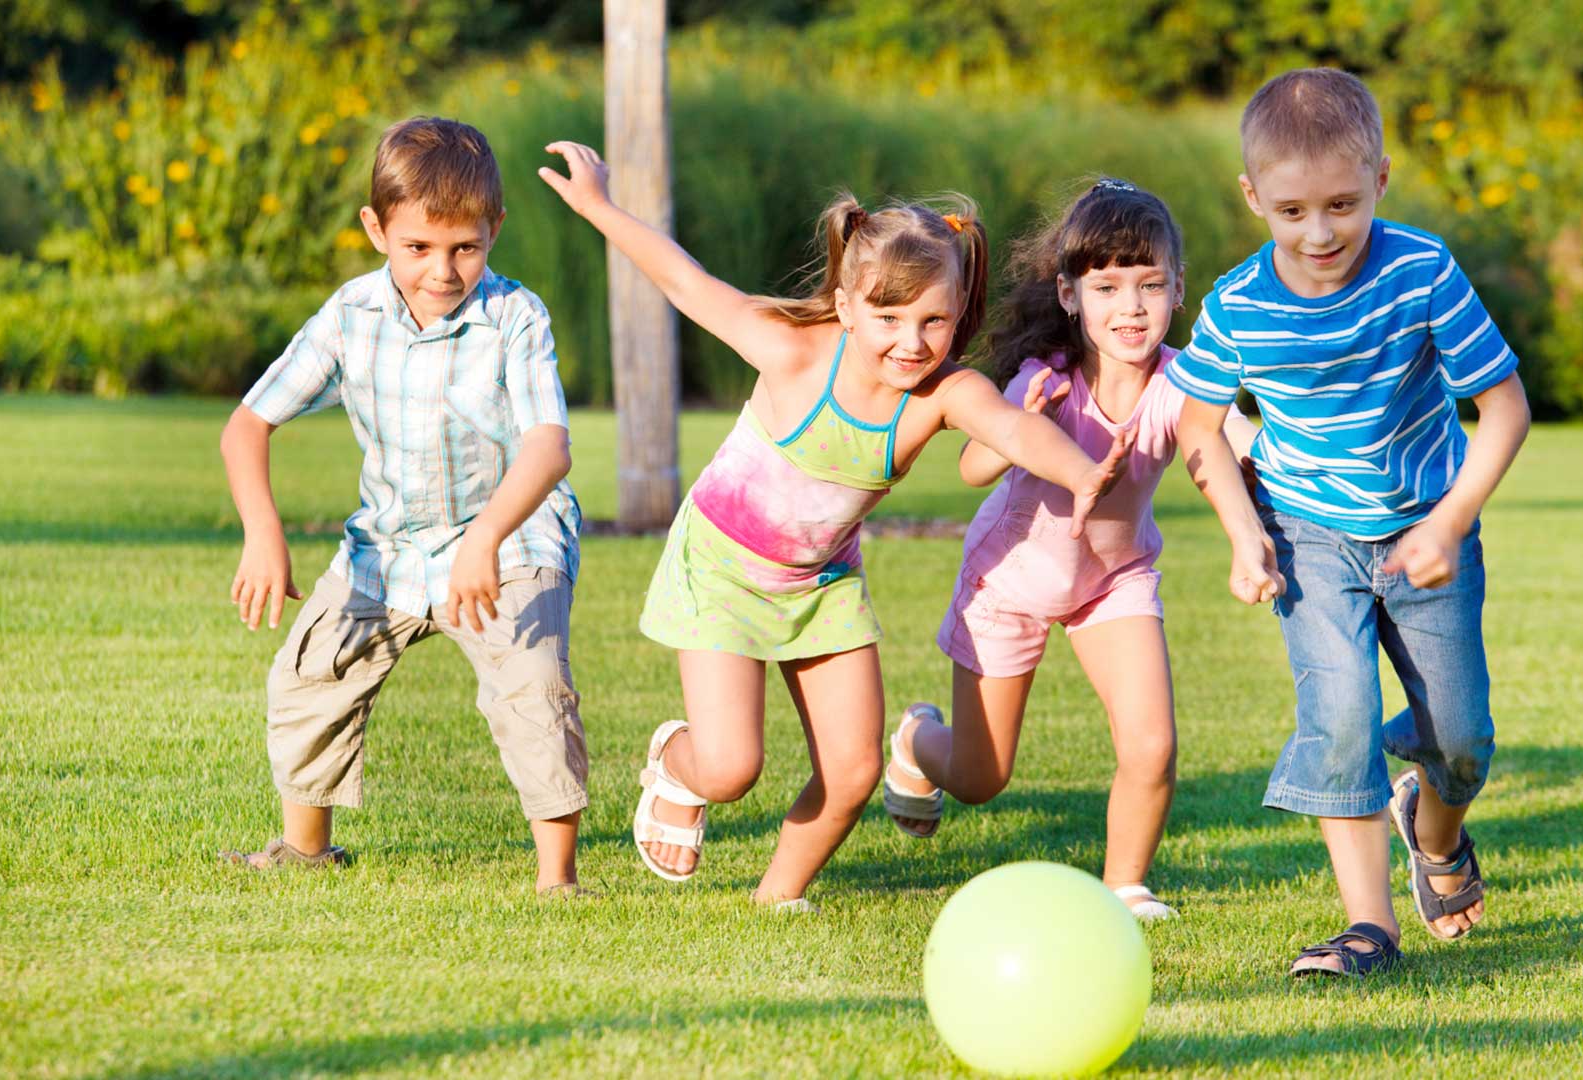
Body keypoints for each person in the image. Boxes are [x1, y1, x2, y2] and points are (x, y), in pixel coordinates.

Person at [539, 141, 1127, 910]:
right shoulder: (790, 351)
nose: (910, 342)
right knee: (731, 766)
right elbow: (686, 282)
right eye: (888, 317)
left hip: (821, 585)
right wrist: (598, 207)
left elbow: (1012, 430)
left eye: (934, 321)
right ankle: (680, 768)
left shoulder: (943, 394)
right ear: (847, 306)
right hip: (720, 569)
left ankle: (774, 899)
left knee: (851, 773)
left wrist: (1083, 472)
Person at [1170, 68, 1531, 976]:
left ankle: (1436, 831)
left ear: (1381, 179)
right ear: (1254, 197)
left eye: (1341, 203)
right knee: (1338, 716)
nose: (1319, 232)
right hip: (1309, 537)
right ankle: (1370, 926)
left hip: (1424, 531)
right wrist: (1245, 534)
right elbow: (1197, 425)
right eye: (1291, 211)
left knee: (1461, 738)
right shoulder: (1238, 305)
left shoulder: (1421, 271)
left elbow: (1506, 406)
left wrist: (1450, 523)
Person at [218, 117, 591, 899]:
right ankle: (305, 850)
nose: (443, 270)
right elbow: (248, 424)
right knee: (311, 673)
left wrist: (488, 534)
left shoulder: (516, 319)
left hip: (510, 538)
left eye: (465, 247)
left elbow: (548, 448)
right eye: (418, 247)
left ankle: (558, 880)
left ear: (494, 229)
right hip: (387, 548)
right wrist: (263, 532)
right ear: (377, 229)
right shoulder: (351, 315)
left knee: (532, 687)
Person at [883, 178, 1255, 922]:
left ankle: (1126, 886)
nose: (1132, 307)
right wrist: (1017, 421)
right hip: (1009, 581)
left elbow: (1231, 446)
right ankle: (917, 740)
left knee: (1151, 745)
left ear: (1180, 289)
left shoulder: (1184, 381)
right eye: (1108, 286)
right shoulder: (1044, 379)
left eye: (1151, 285)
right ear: (1068, 293)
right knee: (980, 777)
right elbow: (972, 467)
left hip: (1112, 582)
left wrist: (1273, 497)